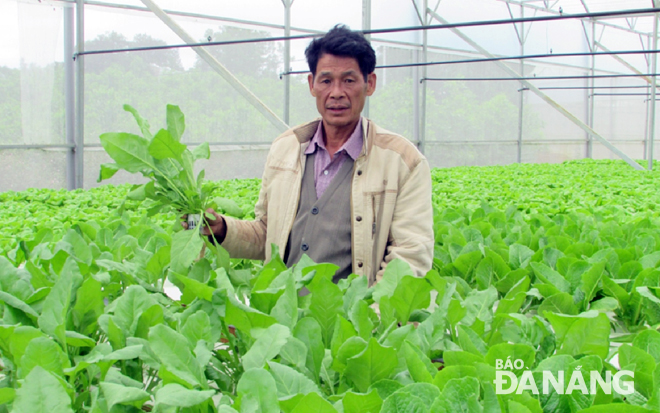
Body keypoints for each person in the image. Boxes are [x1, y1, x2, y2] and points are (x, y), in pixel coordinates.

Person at [192, 24, 433, 285]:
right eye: (326, 80)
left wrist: (369, 318)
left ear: (369, 83)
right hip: (282, 319)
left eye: (349, 80)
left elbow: (409, 258)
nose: (337, 92)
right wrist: (223, 229)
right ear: (312, 84)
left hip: (352, 321)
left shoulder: (403, 162)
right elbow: (267, 234)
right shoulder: (285, 149)